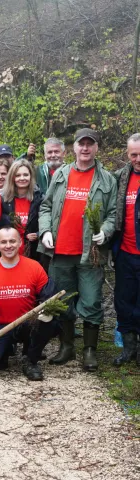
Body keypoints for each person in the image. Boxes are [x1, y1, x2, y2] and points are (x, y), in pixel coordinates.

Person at [38, 128, 117, 371]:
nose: (85, 148)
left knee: (92, 301)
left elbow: (114, 213)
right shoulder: (61, 174)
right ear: (73, 148)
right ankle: (66, 346)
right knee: (63, 301)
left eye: (90, 144)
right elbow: (46, 207)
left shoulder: (107, 180)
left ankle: (90, 351)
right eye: (81, 144)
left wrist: (105, 230)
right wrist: (45, 231)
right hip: (60, 253)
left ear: (96, 148)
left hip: (90, 254)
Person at [0, 227, 59, 380]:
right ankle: (6, 349)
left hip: (27, 322)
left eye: (12, 241)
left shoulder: (34, 267)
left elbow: (48, 294)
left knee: (48, 323)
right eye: (4, 242)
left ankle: (30, 359)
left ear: (20, 242)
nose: (8, 245)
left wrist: (47, 312)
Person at [111, 133, 140, 366]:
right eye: (134, 155)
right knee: (123, 301)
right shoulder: (121, 177)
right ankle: (129, 349)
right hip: (125, 252)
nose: (138, 159)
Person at [1, 159, 43, 260]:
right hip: (10, 252)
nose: (22, 178)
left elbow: (48, 223)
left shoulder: (40, 199)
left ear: (31, 176)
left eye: (25, 175)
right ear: (12, 177)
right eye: (18, 175)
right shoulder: (4, 200)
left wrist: (38, 234)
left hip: (33, 252)